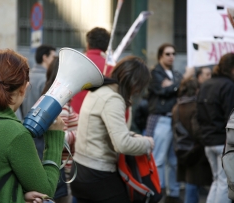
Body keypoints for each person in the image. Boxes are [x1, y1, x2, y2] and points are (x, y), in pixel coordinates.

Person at [0, 49, 65, 203]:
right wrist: (55, 137)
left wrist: (20, 195)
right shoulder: (16, 134)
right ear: (23, 88)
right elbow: (46, 190)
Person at [70, 56, 154, 203]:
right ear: (134, 83)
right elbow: (122, 144)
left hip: (79, 171)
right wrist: (147, 143)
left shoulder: (98, 90)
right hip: (97, 174)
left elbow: (108, 130)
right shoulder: (113, 98)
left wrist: (133, 135)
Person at [145, 43, 190, 203]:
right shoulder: (155, 73)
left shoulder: (174, 74)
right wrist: (177, 85)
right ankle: (158, 191)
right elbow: (162, 91)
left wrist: (173, 86)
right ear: (160, 56)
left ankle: (173, 193)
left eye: (173, 53)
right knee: (158, 159)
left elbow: (180, 89)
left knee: (173, 160)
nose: (171, 57)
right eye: (168, 54)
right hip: (161, 119)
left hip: (174, 121)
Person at [197, 53, 234, 203]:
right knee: (225, 182)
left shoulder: (206, 84)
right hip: (223, 142)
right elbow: (230, 117)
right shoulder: (229, 86)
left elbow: (198, 114)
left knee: (217, 180)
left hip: (209, 141)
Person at [41, 56, 79, 203]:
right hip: (64, 169)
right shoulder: (60, 101)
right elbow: (58, 138)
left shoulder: (52, 98)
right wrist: (80, 133)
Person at [172, 77, 212, 203]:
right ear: (196, 89)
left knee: (190, 182)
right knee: (193, 184)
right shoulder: (196, 106)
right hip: (196, 150)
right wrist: (207, 141)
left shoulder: (176, 107)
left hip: (183, 149)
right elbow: (197, 131)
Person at [71, 27, 111, 114]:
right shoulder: (111, 66)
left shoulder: (75, 62)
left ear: (88, 44)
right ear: (107, 46)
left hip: (73, 117)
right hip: (99, 116)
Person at [20, 44, 56, 119]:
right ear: (45, 57)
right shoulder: (45, 79)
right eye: (53, 57)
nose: (54, 60)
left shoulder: (28, 76)